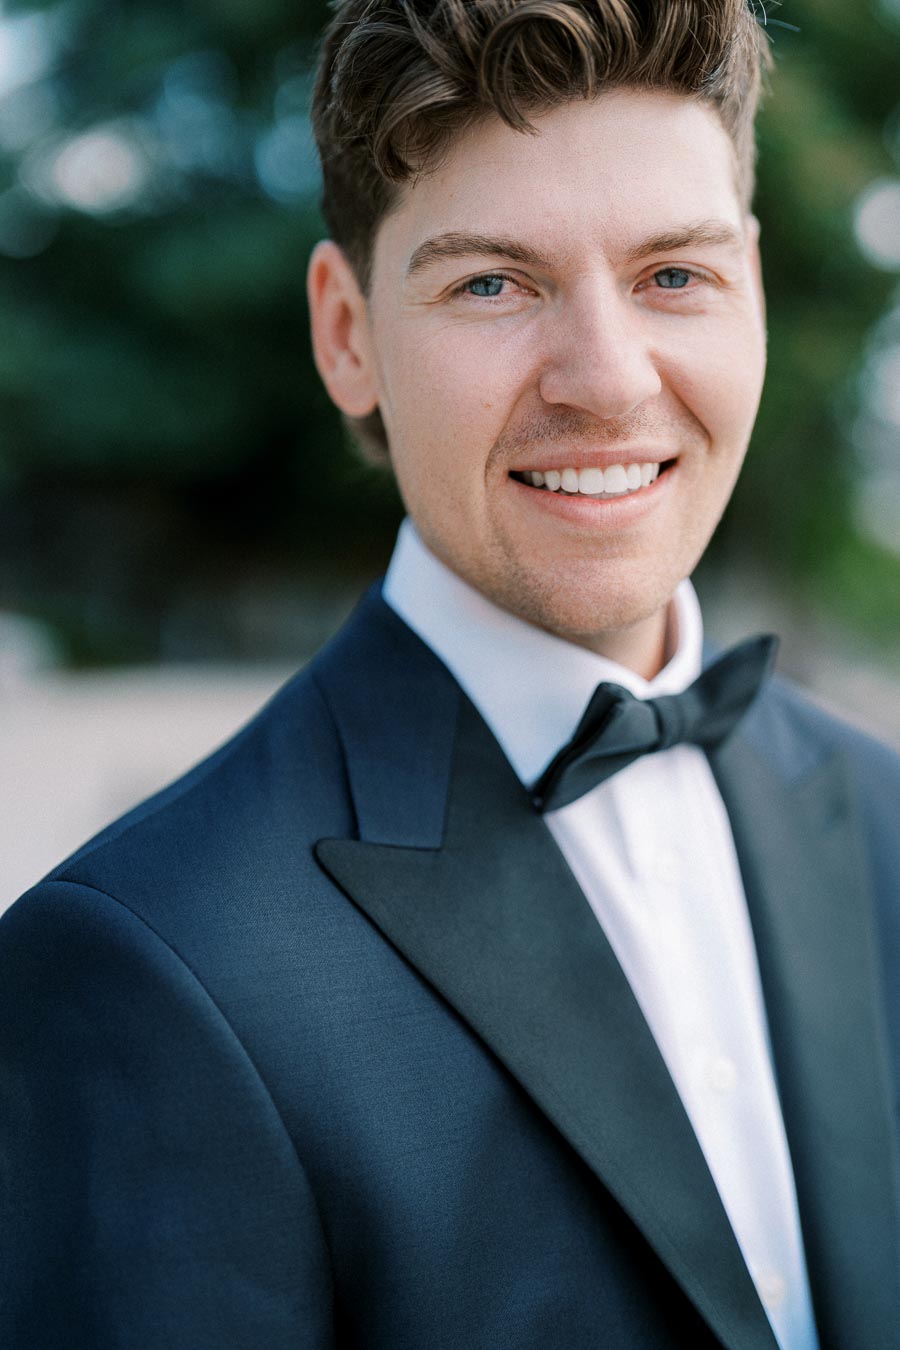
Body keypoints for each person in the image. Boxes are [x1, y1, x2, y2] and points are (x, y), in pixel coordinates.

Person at [1, 1, 897, 1346]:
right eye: (493, 281)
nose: (607, 378)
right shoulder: (140, 965)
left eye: (675, 276)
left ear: (752, 288)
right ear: (346, 331)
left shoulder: (886, 821)